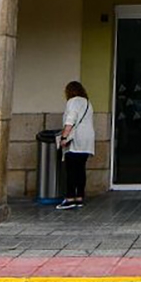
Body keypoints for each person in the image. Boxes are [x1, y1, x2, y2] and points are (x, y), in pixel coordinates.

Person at [58, 80, 94, 209]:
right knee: (80, 169)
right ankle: (80, 197)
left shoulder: (73, 102)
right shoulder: (88, 103)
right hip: (87, 139)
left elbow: (70, 120)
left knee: (71, 170)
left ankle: (70, 198)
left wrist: (64, 137)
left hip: (75, 139)